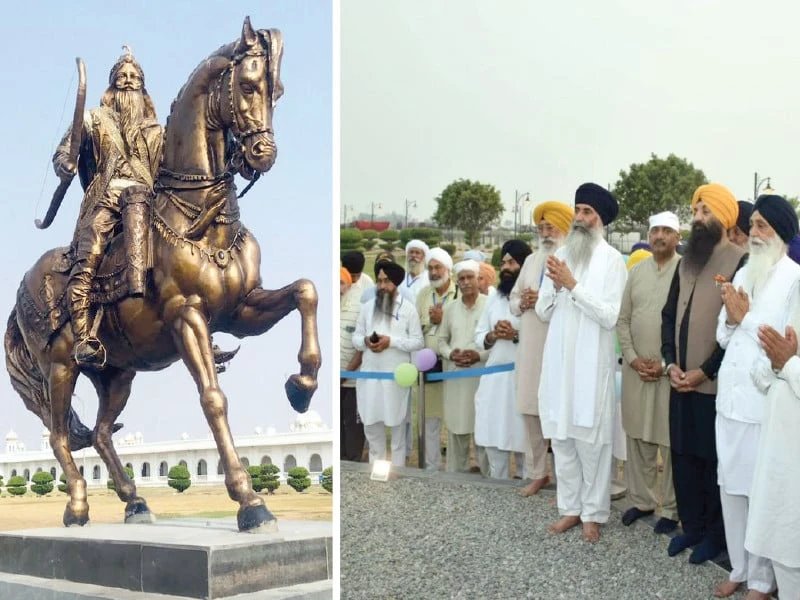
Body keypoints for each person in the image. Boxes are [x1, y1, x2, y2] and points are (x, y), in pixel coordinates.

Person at [712, 194, 800, 598]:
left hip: (763, 405)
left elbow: (780, 345)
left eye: (764, 226)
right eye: (754, 225)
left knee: (759, 495)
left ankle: (762, 582)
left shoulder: (794, 280)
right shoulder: (744, 271)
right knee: (730, 489)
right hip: (728, 401)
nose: (755, 233)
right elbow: (722, 333)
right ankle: (739, 567)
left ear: (781, 233)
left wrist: (743, 320)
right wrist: (733, 321)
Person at [54, 48, 163, 365]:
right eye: (122, 77)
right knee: (87, 260)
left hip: (147, 201)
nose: (128, 82)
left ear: (143, 86)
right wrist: (64, 162)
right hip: (107, 197)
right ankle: (83, 336)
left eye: (135, 78)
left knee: (184, 255)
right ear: (112, 85)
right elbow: (66, 151)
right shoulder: (94, 119)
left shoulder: (156, 131)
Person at [536, 183, 627, 543]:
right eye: (578, 210)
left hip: (592, 368)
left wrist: (573, 286)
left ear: (601, 219)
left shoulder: (613, 261)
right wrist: (556, 286)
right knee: (562, 440)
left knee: (592, 445)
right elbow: (542, 311)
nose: (580, 218)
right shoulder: (561, 255)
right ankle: (569, 509)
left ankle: (593, 513)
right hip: (559, 365)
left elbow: (609, 316)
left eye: (588, 212)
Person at [661, 183, 747, 563]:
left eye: (706, 211)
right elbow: (669, 316)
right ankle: (691, 528)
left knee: (712, 461)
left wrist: (703, 372)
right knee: (682, 457)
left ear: (724, 217)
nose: (698, 219)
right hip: (679, 381)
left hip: (713, 385)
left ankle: (716, 536)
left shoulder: (740, 261)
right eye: (695, 212)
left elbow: (737, 331)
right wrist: (670, 364)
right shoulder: (686, 260)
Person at [617, 211, 681, 534]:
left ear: (677, 238)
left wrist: (666, 364)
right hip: (636, 371)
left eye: (666, 231)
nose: (659, 236)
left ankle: (670, 509)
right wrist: (631, 358)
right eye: (655, 230)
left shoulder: (686, 272)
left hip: (668, 372)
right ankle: (641, 501)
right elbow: (623, 320)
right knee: (638, 437)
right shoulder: (636, 271)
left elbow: (687, 326)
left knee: (669, 442)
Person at [509, 200, 573, 496]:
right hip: (530, 346)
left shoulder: (573, 259)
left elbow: (578, 299)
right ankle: (538, 473)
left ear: (565, 228)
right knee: (530, 410)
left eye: (551, 227)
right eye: (541, 228)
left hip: (559, 346)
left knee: (559, 415)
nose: (546, 233)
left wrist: (545, 301)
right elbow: (513, 299)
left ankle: (566, 481)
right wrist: (523, 302)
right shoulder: (532, 260)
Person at [747, 296, 800, 599]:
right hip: (779, 459)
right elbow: (760, 375)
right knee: (783, 552)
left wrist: (789, 364)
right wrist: (775, 362)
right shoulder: (794, 306)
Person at [352, 260, 424, 466]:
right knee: (372, 428)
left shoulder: (408, 309)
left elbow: (418, 342)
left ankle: (399, 470)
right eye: (379, 281)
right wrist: (366, 341)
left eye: (387, 281)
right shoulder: (367, 308)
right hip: (369, 378)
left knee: (398, 430)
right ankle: (377, 470)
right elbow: (356, 339)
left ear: (396, 283)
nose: (382, 286)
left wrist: (391, 342)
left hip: (395, 380)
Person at [473, 240, 531, 479]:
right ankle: (498, 490)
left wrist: (515, 335)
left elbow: (545, 337)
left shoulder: (534, 297)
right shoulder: (494, 298)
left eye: (512, 262)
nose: (506, 267)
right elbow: (478, 336)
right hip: (495, 379)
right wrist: (492, 335)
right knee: (495, 439)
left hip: (524, 380)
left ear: (525, 265)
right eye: (503, 262)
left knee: (525, 444)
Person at [438, 260, 487, 472]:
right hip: (456, 376)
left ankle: (490, 478)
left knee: (483, 429)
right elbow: (441, 341)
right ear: (457, 282)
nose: (466, 282)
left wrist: (479, 355)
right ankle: (456, 478)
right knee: (457, 429)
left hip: (482, 377)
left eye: (470, 277)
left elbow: (499, 344)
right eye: (462, 279)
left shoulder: (490, 304)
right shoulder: (450, 309)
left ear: (479, 280)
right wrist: (451, 354)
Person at [415, 248, 459, 471]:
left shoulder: (458, 292)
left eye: (437, 267)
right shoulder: (423, 295)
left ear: (448, 270)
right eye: (430, 268)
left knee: (452, 419)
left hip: (453, 364)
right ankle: (431, 468)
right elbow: (417, 329)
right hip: (428, 365)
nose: (433, 272)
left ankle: (452, 469)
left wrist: (442, 320)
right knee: (430, 419)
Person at [340, 267, 365, 462]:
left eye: (342, 283)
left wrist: (346, 373)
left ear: (349, 286)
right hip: (334, 382)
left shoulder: (359, 308)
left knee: (353, 425)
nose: (338, 288)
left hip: (353, 381)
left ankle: (353, 465)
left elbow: (361, 348)